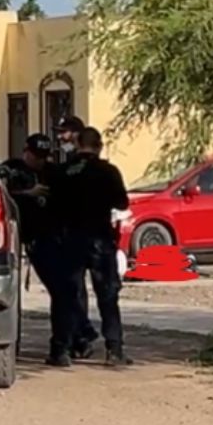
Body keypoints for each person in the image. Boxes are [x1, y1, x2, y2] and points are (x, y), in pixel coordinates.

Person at [49, 126, 130, 367]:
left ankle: (61, 350)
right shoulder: (108, 171)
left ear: (78, 144)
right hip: (100, 239)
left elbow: (53, 204)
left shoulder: (64, 172)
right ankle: (114, 351)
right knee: (107, 295)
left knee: (68, 296)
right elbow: (122, 202)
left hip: (70, 240)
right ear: (99, 145)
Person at [0, 134, 65, 352]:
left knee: (60, 289)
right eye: (36, 156)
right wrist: (27, 194)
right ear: (26, 151)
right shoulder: (11, 169)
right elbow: (0, 193)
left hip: (44, 237)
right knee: (9, 294)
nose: (40, 161)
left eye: (44, 156)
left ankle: (62, 345)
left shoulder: (53, 172)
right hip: (14, 236)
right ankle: (9, 345)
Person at [53, 116, 99, 358]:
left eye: (65, 133)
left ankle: (80, 335)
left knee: (74, 290)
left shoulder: (77, 167)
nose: (60, 137)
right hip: (73, 235)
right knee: (74, 290)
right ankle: (81, 335)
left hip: (81, 236)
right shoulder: (66, 163)